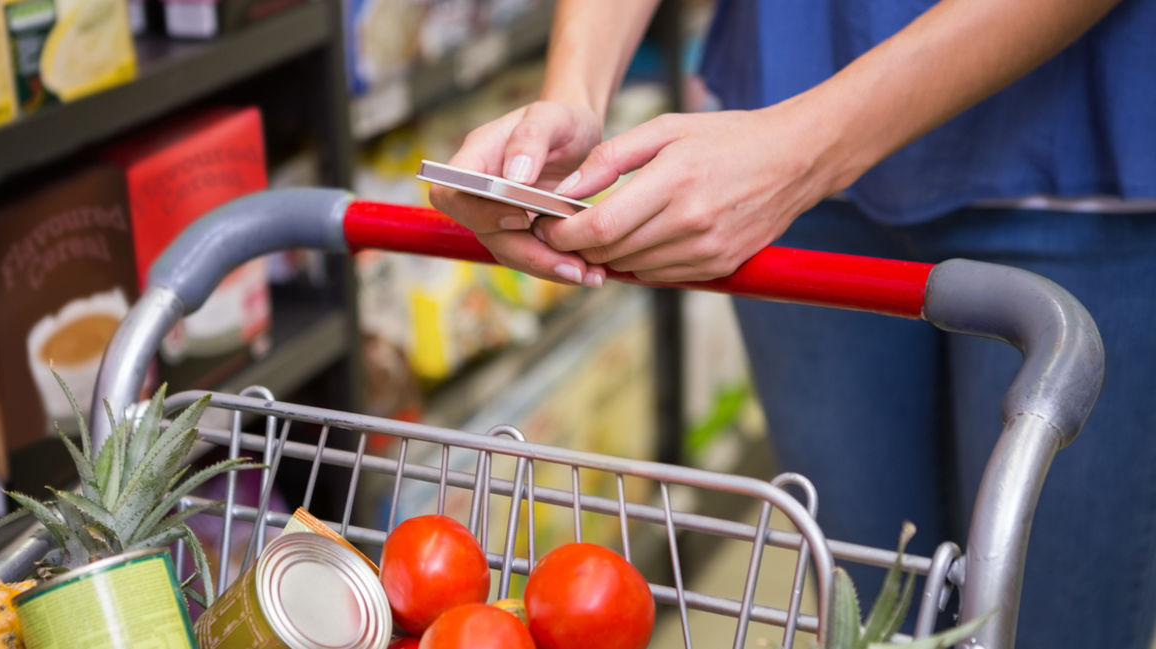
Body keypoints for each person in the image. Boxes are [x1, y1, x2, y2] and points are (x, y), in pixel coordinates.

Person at [429, 0, 1156, 647]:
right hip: (784, 142)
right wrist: (574, 94)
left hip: (1078, 155)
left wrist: (807, 152)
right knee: (867, 612)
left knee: (1048, 620)